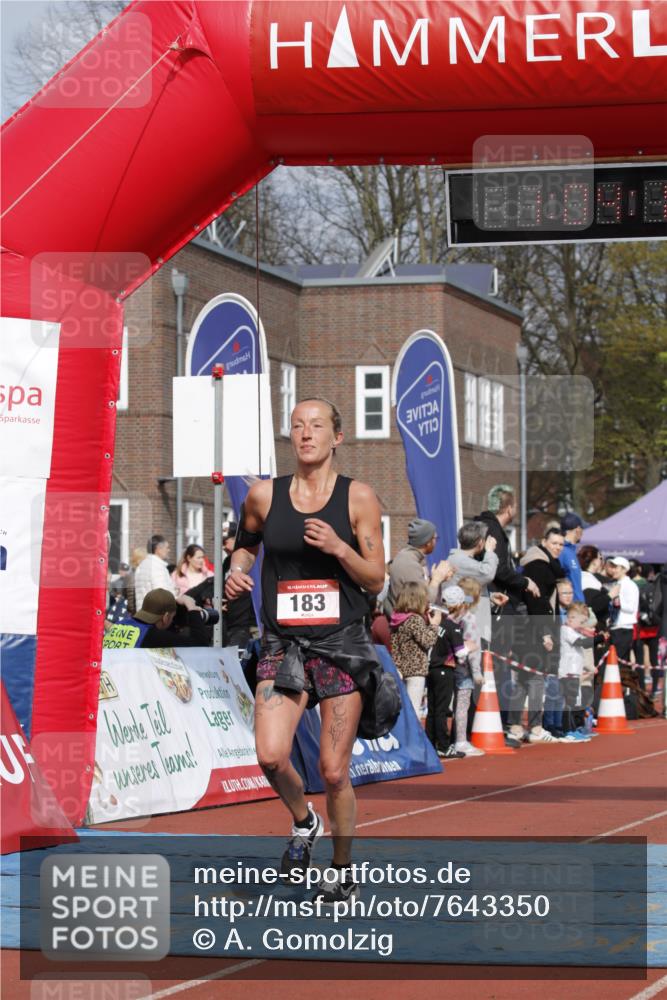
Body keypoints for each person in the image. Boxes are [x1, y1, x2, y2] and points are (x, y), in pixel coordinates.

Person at [225, 397, 395, 907]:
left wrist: (340, 549)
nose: (306, 434)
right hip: (282, 641)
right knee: (271, 755)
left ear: (336, 437)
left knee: (335, 770)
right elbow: (244, 544)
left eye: (317, 426)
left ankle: (342, 872)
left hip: (341, 642)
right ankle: (305, 821)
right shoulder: (263, 496)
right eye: (298, 426)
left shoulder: (358, 498)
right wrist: (238, 569)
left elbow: (376, 578)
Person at [426, 585, 472, 760]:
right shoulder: (453, 627)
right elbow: (460, 655)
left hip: (431, 668)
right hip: (445, 669)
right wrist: (471, 648)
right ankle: (444, 746)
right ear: (458, 605)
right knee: (442, 709)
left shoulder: (432, 619)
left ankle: (430, 743)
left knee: (432, 708)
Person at [389, 581, 439, 717]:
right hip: (415, 670)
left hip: (400, 669)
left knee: (403, 710)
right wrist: (434, 625)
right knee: (413, 711)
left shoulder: (396, 619)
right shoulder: (415, 619)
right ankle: (413, 737)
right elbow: (427, 641)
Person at [383, 519, 453, 616]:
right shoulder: (409, 564)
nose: (436, 542)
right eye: (435, 538)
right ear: (428, 542)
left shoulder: (406, 557)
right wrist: (436, 580)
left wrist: (435, 579)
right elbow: (423, 602)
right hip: (405, 625)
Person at [102, 588, 213, 648]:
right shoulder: (151, 636)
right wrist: (192, 608)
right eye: (172, 617)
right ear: (165, 617)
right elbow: (200, 645)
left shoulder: (121, 624)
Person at [447, 521, 498, 648]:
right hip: (470, 629)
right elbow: (488, 573)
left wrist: (489, 598)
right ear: (480, 542)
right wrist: (490, 551)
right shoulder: (461, 561)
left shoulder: (462, 560)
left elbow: (465, 596)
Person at [452, 578, 484, 757]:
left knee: (453, 705)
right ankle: (461, 741)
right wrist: (477, 672)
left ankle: (453, 739)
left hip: (450, 665)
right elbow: (473, 648)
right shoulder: (470, 619)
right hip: (464, 670)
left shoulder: (451, 616)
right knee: (462, 706)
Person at [559, 601, 596, 741]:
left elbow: (578, 654)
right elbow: (582, 643)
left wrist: (589, 668)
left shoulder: (573, 631)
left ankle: (573, 728)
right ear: (571, 618)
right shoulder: (566, 630)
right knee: (569, 703)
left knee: (574, 702)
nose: (582, 625)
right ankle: (567, 730)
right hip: (567, 673)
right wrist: (599, 638)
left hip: (574, 672)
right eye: (581, 621)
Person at [221, 521, 258, 649]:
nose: (222, 547)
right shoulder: (226, 562)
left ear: (236, 539)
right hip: (231, 623)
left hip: (249, 625)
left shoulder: (253, 560)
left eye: (224, 542)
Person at [607, 556, 640, 666]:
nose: (613, 570)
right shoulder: (617, 583)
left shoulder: (630, 585)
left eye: (616, 567)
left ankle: (624, 683)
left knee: (620, 662)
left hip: (624, 628)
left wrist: (618, 601)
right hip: (616, 627)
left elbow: (631, 607)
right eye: (612, 567)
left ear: (625, 569)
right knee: (615, 662)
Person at [134, 535, 177, 608]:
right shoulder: (157, 567)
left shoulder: (142, 565)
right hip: (156, 613)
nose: (168, 550)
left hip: (143, 612)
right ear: (158, 549)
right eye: (167, 547)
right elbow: (161, 594)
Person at [558, 513, 585, 601]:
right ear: (578, 529)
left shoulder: (571, 551)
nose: (583, 532)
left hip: (577, 608)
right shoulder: (562, 550)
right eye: (582, 529)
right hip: (569, 609)